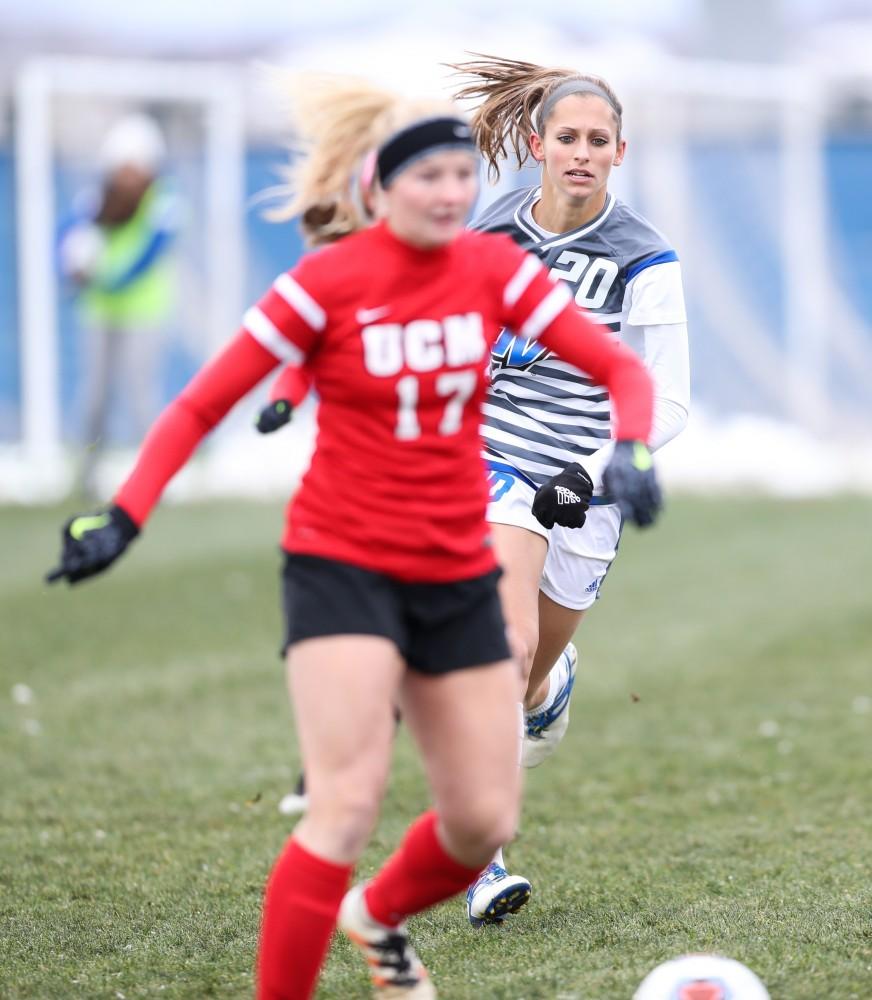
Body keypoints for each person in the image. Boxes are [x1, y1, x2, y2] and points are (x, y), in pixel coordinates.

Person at [47, 75, 662, 1000]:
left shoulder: (494, 272)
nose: (455, 193)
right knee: (342, 807)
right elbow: (199, 403)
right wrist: (123, 514)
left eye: (464, 173)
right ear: (380, 186)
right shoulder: (327, 281)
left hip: (455, 566)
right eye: (433, 177)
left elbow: (616, 363)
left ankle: (375, 916)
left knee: (480, 820)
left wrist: (635, 448)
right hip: (344, 565)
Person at [442, 55, 690, 925]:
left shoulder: (645, 256)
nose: (580, 153)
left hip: (582, 481)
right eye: (566, 138)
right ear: (539, 146)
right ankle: (482, 858)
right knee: (500, 651)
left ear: (620, 151)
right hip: (495, 464)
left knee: (528, 674)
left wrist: (604, 468)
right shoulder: (488, 234)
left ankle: (551, 689)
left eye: (597, 140)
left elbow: (667, 395)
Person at [57, 113, 180, 497]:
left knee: (143, 396)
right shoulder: (95, 202)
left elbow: (149, 254)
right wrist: (70, 271)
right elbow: (66, 239)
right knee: (94, 398)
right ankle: (86, 474)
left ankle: (154, 477)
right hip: (100, 313)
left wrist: (107, 278)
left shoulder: (165, 204)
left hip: (143, 313)